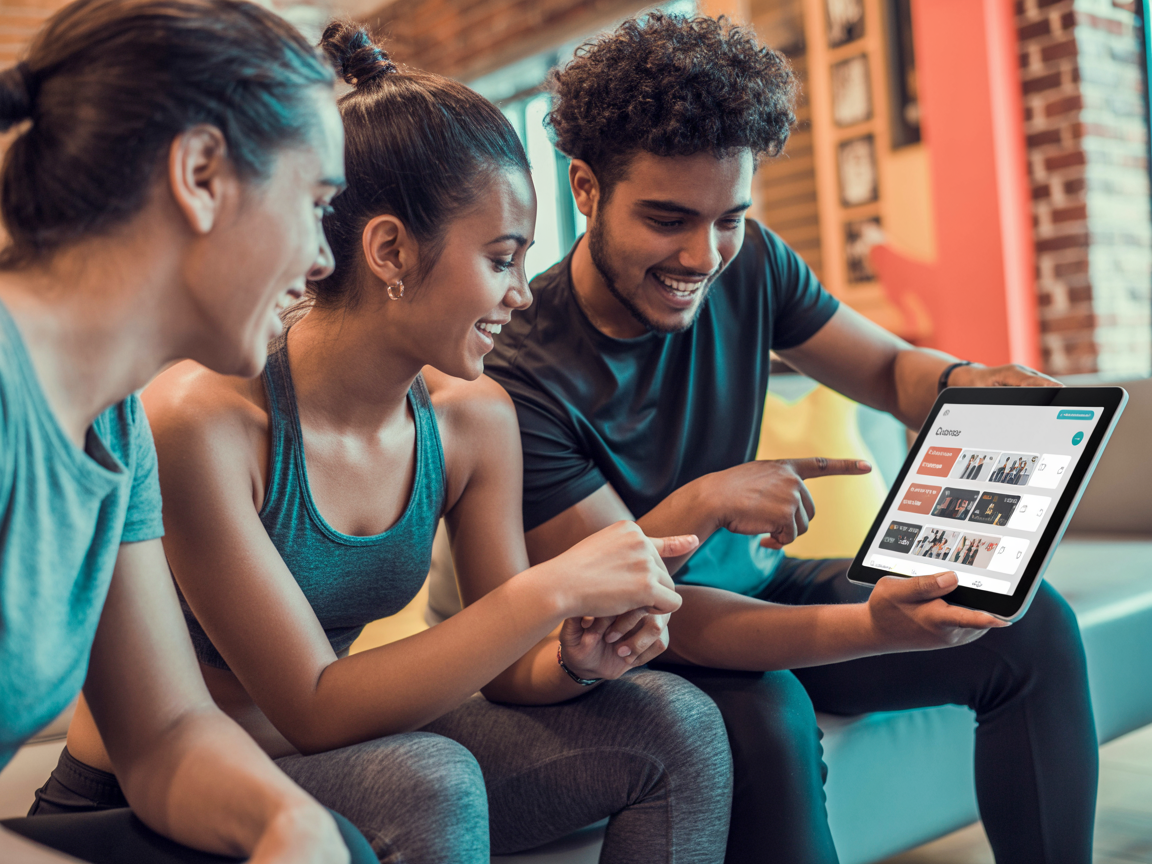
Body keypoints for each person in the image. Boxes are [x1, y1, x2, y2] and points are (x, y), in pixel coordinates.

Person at [50, 24, 733, 864]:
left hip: (331, 757)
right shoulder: (198, 423)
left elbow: (510, 669)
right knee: (429, 778)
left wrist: (576, 660)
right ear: (389, 251)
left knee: (677, 723)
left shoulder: (476, 417)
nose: (521, 293)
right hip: (168, 793)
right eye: (501, 259)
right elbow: (311, 706)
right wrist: (548, 592)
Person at [484, 13, 1097, 864]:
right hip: (637, 644)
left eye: (728, 217)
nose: (704, 255)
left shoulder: (755, 262)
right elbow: (669, 617)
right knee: (769, 716)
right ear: (585, 188)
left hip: (756, 588)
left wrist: (961, 384)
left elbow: (887, 372)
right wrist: (875, 623)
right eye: (668, 219)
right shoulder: (518, 375)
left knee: (1026, 628)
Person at [0, 0, 379, 861]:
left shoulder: (116, 421)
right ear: (202, 173)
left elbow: (165, 729)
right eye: (317, 202)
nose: (324, 258)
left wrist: (291, 825)